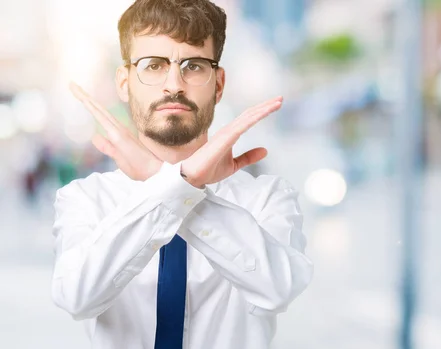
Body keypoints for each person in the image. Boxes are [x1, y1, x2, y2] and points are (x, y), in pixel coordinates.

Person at [50, 1, 313, 348]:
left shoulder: (267, 198)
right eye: (154, 65)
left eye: (193, 66)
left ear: (218, 84)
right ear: (124, 82)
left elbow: (278, 288)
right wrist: (178, 185)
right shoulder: (85, 199)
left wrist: (166, 183)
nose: (174, 84)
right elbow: (77, 296)